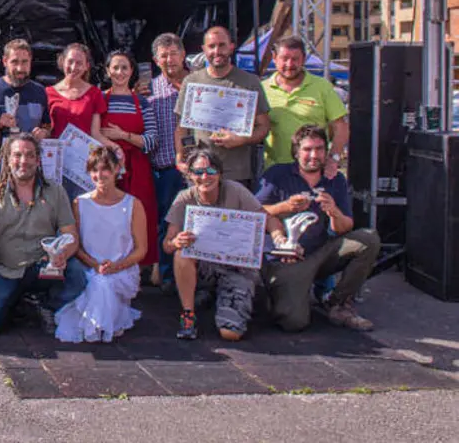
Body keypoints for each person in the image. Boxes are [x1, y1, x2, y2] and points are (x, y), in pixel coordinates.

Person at [256, 125, 378, 332]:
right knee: (293, 322)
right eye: (307, 149)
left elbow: (346, 226)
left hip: (319, 254)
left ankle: (338, 303)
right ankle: (278, 295)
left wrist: (334, 212)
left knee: (368, 239)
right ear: (296, 152)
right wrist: (285, 207)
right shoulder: (277, 174)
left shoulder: (335, 179)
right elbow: (255, 211)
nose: (314, 155)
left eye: (320, 149)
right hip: (284, 259)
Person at [164, 146, 284, 341]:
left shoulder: (236, 191)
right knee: (181, 254)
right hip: (204, 266)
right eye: (198, 172)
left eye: (211, 171)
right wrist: (176, 241)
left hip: (235, 267)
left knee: (231, 334)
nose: (205, 177)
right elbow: (167, 245)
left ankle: (225, 297)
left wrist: (279, 237)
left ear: (219, 173)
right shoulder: (184, 198)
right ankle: (188, 314)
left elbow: (267, 219)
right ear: (190, 175)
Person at [0, 133, 85, 336]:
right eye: (17, 155)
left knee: (78, 274)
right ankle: (20, 302)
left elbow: (71, 236)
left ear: (38, 160)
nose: (23, 161)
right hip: (5, 269)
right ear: (7, 159)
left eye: (29, 155)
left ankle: (48, 304)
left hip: (42, 266)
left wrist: (62, 254)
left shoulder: (56, 192)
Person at [56, 147, 147, 343]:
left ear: (117, 169)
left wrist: (116, 266)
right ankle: (100, 326)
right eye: (94, 170)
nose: (99, 175)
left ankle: (99, 326)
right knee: (100, 284)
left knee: (104, 285)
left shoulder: (133, 204)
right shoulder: (79, 203)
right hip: (90, 268)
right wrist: (95, 265)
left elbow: (141, 249)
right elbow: (76, 244)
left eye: (105, 169)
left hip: (122, 269)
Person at [174, 26, 271, 190]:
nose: (217, 51)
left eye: (222, 45)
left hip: (236, 174)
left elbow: (264, 126)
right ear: (204, 49)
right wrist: (179, 156)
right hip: (200, 172)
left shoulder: (250, 82)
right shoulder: (191, 81)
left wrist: (242, 139)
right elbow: (182, 128)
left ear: (231, 46)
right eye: (211, 46)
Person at [98, 50, 158, 270]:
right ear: (107, 71)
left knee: (139, 219)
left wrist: (123, 136)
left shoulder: (142, 102)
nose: (120, 72)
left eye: (125, 67)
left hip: (137, 168)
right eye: (115, 67)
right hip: (108, 168)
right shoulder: (99, 98)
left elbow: (152, 141)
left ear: (132, 71)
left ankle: (139, 268)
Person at [262, 36, 349, 174]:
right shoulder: (262, 89)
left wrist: (333, 158)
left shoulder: (322, 87)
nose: (289, 64)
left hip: (313, 172)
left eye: (295, 59)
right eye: (284, 58)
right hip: (275, 171)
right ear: (274, 58)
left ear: (304, 59)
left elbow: (341, 127)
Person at [146, 33, 190, 292]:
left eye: (174, 53)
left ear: (183, 55)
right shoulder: (149, 89)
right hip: (166, 167)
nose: (169, 59)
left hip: (200, 169)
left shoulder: (199, 83)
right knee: (167, 221)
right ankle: (167, 276)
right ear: (155, 60)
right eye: (163, 55)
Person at [45, 43, 108, 199]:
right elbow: (46, 129)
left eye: (79, 63)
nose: (73, 67)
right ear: (62, 62)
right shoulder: (47, 93)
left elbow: (95, 133)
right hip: (54, 164)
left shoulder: (94, 94)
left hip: (82, 166)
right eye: (70, 61)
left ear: (87, 66)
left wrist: (115, 147)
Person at [0, 39, 51, 143]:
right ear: (5, 61)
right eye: (14, 62)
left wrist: (44, 132)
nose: (20, 68)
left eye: (24, 62)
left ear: (30, 60)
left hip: (30, 157)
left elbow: (47, 125)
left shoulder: (40, 91)